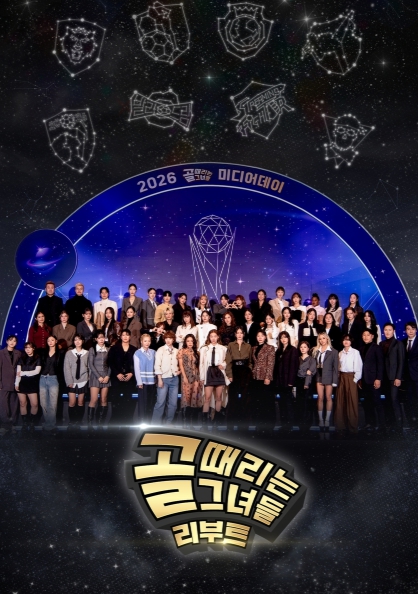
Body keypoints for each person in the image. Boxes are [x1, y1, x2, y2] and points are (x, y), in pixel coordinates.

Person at [334, 335, 363, 435]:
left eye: (348, 340)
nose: (346, 342)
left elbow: (359, 367)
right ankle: (340, 426)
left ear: (351, 342)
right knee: (340, 401)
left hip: (351, 377)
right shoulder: (340, 353)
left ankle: (352, 427)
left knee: (352, 401)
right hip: (341, 377)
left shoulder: (355, 352)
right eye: (344, 340)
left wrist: (355, 379)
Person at [107, 329, 137, 425]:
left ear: (130, 337)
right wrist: (117, 373)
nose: (125, 337)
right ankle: (115, 420)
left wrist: (132, 373)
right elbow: (110, 362)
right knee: (116, 399)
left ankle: (127, 420)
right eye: (123, 335)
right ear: (120, 336)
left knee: (128, 399)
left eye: (127, 335)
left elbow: (136, 364)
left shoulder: (134, 349)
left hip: (129, 378)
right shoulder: (114, 348)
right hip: (117, 377)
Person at [199, 329, 228, 426]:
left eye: (215, 336)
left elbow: (226, 360)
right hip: (209, 372)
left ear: (218, 337)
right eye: (211, 336)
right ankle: (205, 421)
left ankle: (216, 420)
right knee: (207, 397)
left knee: (219, 397)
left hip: (219, 372)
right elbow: (201, 364)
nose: (213, 338)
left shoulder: (223, 348)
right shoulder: (205, 348)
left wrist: (223, 365)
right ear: (209, 338)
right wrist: (202, 377)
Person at [225, 326, 252, 429]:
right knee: (233, 398)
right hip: (234, 371)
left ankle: (244, 425)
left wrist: (249, 371)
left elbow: (250, 361)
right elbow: (228, 361)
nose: (239, 335)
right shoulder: (231, 345)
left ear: (243, 334)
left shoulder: (248, 346)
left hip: (245, 372)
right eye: (238, 333)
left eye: (241, 333)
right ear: (235, 334)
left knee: (245, 398)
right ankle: (231, 424)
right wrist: (229, 374)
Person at [152, 331, 181, 425]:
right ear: (164, 339)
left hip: (174, 379)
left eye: (170, 338)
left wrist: (179, 371)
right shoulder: (161, 350)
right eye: (166, 338)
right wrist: (159, 379)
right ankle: (155, 424)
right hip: (163, 378)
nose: (168, 340)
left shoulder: (177, 351)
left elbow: (181, 364)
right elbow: (157, 365)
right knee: (160, 402)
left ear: (173, 340)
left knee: (173, 403)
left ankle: (169, 423)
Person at [380, 323, 404, 431]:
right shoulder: (381, 344)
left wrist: (398, 377)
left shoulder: (398, 344)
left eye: (389, 330)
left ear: (393, 331)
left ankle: (399, 426)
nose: (387, 332)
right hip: (384, 377)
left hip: (394, 377)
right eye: (385, 330)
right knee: (387, 401)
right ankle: (389, 424)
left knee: (394, 400)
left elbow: (401, 362)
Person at [359, 329, 384, 432]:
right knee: (367, 403)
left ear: (372, 336)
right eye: (364, 335)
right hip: (364, 380)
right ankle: (370, 423)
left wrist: (378, 379)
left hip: (374, 379)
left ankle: (382, 426)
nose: (365, 337)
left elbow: (380, 364)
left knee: (377, 402)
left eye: (368, 335)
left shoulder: (377, 348)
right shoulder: (361, 348)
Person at [312, 333, 339, 430]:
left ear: (327, 339)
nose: (322, 340)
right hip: (319, 376)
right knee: (320, 398)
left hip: (329, 377)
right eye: (320, 339)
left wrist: (335, 381)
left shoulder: (333, 351)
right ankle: (320, 419)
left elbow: (336, 368)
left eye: (323, 338)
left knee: (328, 398)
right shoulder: (316, 351)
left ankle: (327, 419)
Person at [250, 330, 276, 431]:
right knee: (258, 402)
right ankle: (259, 424)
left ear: (265, 337)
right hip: (256, 377)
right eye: (258, 336)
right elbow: (252, 362)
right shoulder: (254, 348)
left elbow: (270, 364)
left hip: (265, 377)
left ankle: (269, 424)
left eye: (262, 336)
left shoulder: (270, 348)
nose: (260, 337)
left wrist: (268, 377)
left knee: (267, 402)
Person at [64, 334, 89, 429]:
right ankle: (72, 421)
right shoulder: (69, 353)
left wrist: (88, 379)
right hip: (72, 381)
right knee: (72, 402)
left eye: (79, 339)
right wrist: (69, 381)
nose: (77, 341)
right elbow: (66, 368)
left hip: (83, 380)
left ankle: (79, 421)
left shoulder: (87, 353)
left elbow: (89, 367)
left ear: (82, 341)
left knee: (81, 402)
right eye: (75, 340)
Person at [274, 331, 299, 429]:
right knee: (281, 403)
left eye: (285, 337)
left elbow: (293, 367)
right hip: (280, 381)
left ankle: (289, 425)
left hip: (288, 381)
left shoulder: (293, 350)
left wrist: (291, 381)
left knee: (288, 403)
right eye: (281, 337)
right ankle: (283, 424)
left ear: (288, 338)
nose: (283, 339)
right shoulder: (278, 351)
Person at [39, 335, 63, 432]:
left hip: (53, 378)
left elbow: (61, 368)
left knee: (53, 402)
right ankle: (46, 422)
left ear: (56, 341)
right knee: (43, 402)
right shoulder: (43, 353)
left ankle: (51, 424)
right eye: (48, 340)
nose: (50, 342)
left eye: (52, 340)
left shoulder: (60, 353)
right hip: (42, 378)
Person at [178, 334, 202, 427]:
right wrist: (184, 377)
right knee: (187, 398)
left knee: (194, 398)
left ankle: (193, 423)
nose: (190, 343)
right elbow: (181, 365)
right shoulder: (181, 351)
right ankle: (186, 423)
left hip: (196, 377)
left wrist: (199, 378)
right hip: (186, 377)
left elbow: (198, 366)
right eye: (188, 341)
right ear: (185, 342)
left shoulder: (197, 352)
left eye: (191, 341)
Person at [15, 342, 41, 430]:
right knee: (23, 404)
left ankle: (32, 423)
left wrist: (23, 373)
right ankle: (25, 423)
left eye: (29, 347)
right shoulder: (21, 359)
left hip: (32, 383)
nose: (28, 349)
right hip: (22, 383)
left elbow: (36, 372)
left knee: (34, 404)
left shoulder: (37, 358)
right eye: (26, 348)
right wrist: (16, 383)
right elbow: (18, 373)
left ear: (33, 348)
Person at [88, 331, 111, 428]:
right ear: (96, 339)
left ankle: (100, 423)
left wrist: (108, 376)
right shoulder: (92, 349)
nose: (101, 339)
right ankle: (90, 425)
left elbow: (110, 364)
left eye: (103, 337)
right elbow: (91, 364)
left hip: (106, 376)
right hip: (95, 376)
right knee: (94, 399)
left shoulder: (108, 349)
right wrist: (98, 376)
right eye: (99, 338)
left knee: (104, 399)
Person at [134, 334, 157, 424]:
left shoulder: (153, 352)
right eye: (145, 341)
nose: (147, 343)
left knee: (150, 403)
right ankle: (142, 422)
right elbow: (137, 369)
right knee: (142, 404)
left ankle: (149, 423)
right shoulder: (137, 353)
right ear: (141, 342)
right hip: (143, 382)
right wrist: (139, 382)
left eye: (149, 341)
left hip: (152, 382)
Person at [0, 335, 21, 434]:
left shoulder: (18, 353)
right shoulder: (1, 353)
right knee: (3, 404)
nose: (12, 342)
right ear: (7, 341)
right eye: (10, 340)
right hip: (4, 382)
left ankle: (12, 424)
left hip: (15, 382)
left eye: (14, 341)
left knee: (14, 404)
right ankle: (5, 425)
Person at [295, 341, 316, 431]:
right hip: (299, 382)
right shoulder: (297, 359)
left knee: (307, 403)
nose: (303, 349)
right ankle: (300, 424)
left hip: (307, 382)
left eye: (305, 347)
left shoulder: (312, 360)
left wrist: (306, 383)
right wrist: (305, 372)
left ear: (308, 349)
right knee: (299, 403)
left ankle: (307, 424)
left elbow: (310, 372)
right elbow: (297, 371)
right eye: (301, 347)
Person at [403, 321, 418, 426]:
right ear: (405, 331)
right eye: (408, 329)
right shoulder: (402, 342)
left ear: (416, 330)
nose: (411, 331)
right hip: (407, 376)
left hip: (417, 375)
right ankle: (411, 421)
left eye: (413, 329)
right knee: (409, 399)